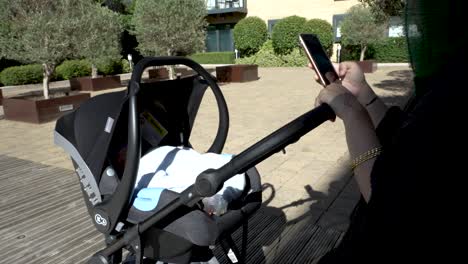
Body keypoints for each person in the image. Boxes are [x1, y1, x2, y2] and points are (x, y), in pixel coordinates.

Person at [312, 0, 466, 262]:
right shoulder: (446, 80)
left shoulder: (456, 91)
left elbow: (391, 202)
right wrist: (362, 92)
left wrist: (351, 112)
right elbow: (405, 137)